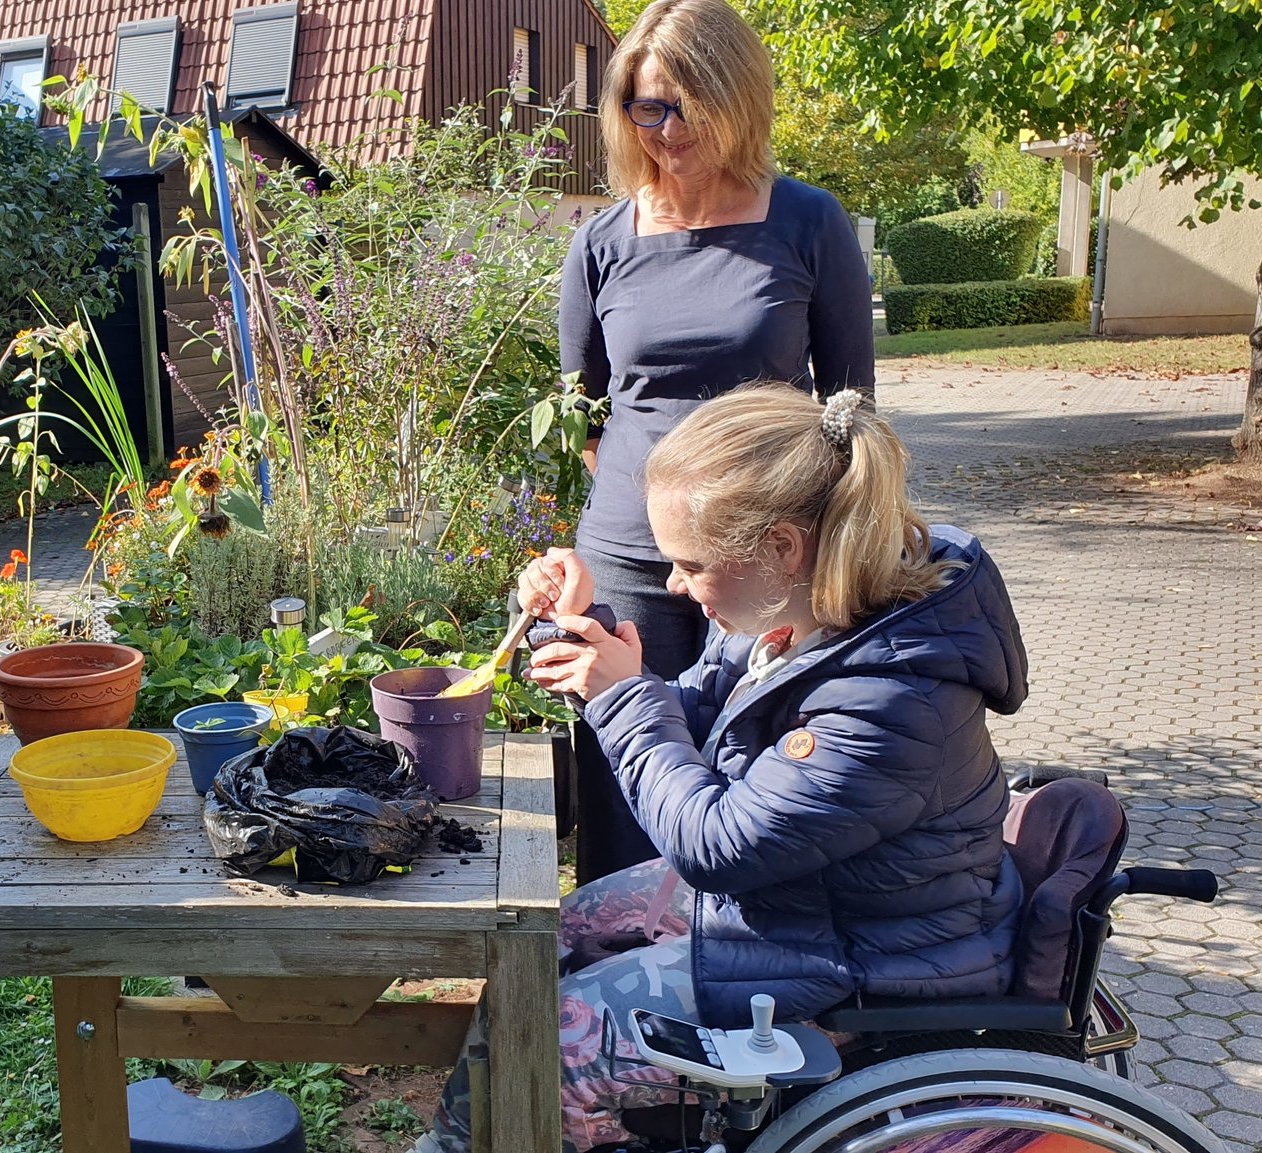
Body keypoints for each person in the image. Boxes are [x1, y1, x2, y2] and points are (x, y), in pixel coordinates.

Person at [423, 386, 1026, 1151]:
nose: (674, 583)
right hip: (810, 906)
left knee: (534, 1041)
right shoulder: (808, 612)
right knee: (548, 938)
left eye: (690, 562)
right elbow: (694, 713)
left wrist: (620, 697)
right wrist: (589, 631)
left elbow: (715, 847)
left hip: (858, 967)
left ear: (782, 546)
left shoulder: (894, 699)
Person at [558, 0, 876, 879]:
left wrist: (816, 555)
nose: (665, 129)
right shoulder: (601, 243)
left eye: (686, 104)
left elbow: (851, 413)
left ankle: (747, 987)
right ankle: (619, 988)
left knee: (760, 782)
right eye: (644, 108)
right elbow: (587, 412)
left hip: (775, 565)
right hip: (632, 560)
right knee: (628, 796)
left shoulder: (809, 223)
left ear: (738, 97)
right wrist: (666, 510)